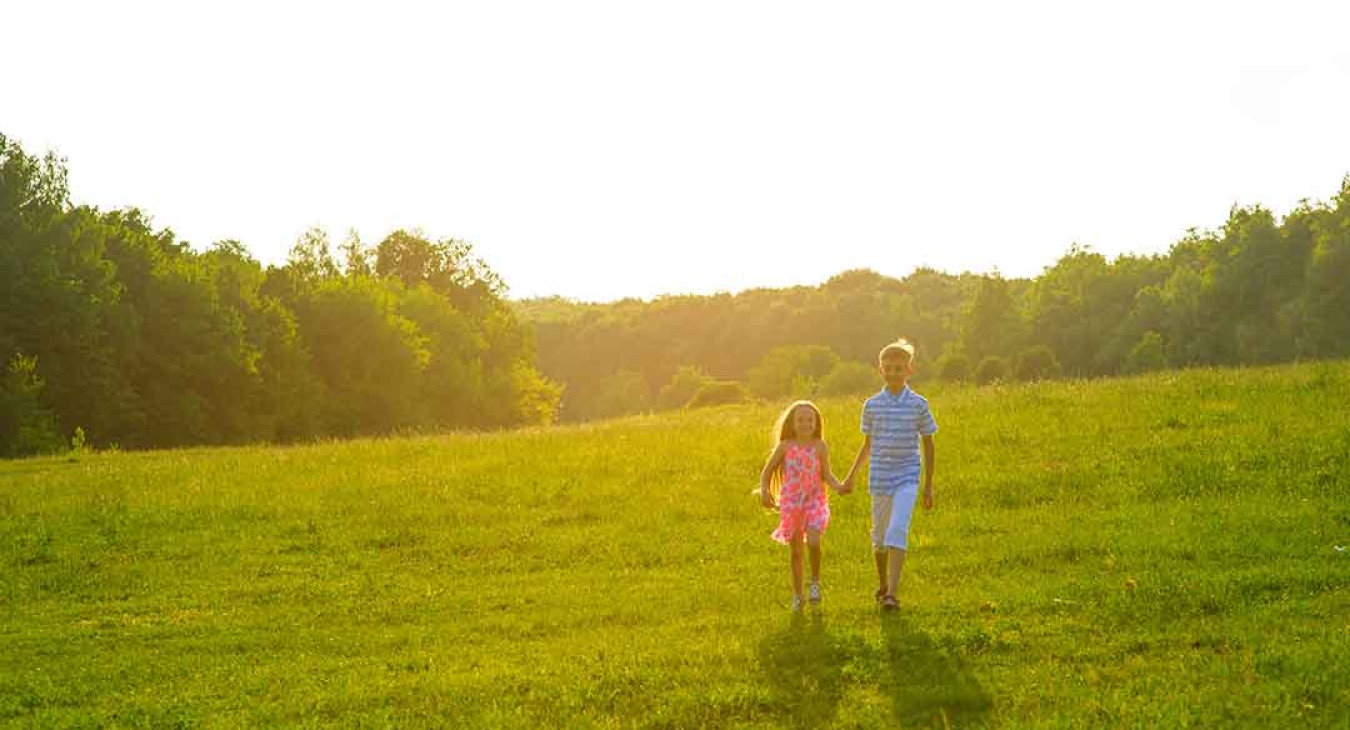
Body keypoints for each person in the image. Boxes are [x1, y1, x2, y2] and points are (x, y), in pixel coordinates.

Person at [843, 338, 938, 611]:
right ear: (881, 370)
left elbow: (929, 444)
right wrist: (851, 477)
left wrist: (927, 487)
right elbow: (867, 446)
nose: (894, 372)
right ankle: (883, 583)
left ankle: (892, 594)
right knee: (880, 538)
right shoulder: (871, 405)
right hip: (880, 478)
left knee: (898, 529)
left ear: (910, 370)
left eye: (899, 368)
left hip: (908, 475)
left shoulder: (919, 404)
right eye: (889, 368)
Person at [758, 400, 848, 612]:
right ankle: (798, 596)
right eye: (800, 420)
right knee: (796, 552)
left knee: (814, 542)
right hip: (792, 504)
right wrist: (765, 490)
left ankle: (814, 583)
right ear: (792, 423)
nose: (805, 424)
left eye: (810, 420)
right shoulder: (785, 446)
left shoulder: (820, 446)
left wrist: (840, 486)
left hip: (815, 500)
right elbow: (767, 471)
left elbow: (827, 475)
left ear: (817, 423)